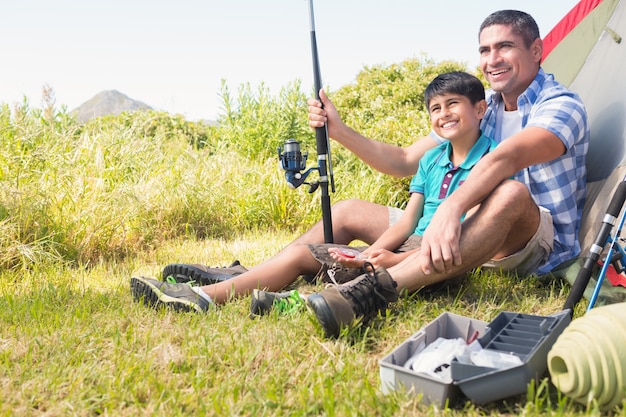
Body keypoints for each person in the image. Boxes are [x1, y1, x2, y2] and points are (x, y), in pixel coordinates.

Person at [304, 9, 589, 338]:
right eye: (485, 50)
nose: (492, 59)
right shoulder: (484, 108)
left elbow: (508, 158)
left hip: (533, 243)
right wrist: (340, 131)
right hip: (471, 228)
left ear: (536, 50)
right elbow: (404, 160)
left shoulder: (561, 105)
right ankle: (260, 278)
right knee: (348, 210)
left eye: (505, 47)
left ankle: (375, 290)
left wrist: (450, 208)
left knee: (511, 194)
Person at [129, 71, 496, 314]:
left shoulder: (492, 160)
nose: (444, 114)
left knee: (357, 275)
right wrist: (374, 250)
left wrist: (389, 261)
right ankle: (212, 294)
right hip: (409, 244)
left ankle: (246, 298)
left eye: (453, 105)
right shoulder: (431, 159)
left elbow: (466, 240)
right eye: (436, 108)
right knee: (307, 255)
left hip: (439, 257)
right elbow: (409, 219)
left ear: (480, 109)